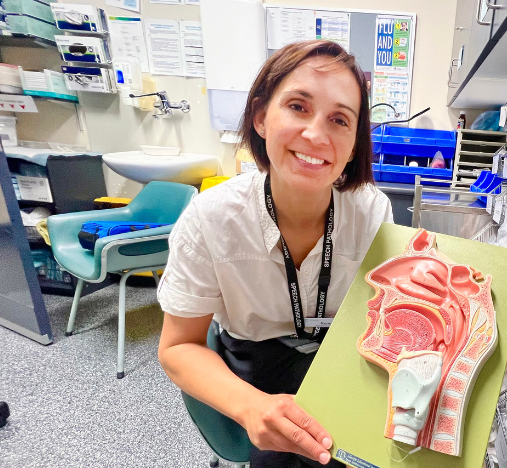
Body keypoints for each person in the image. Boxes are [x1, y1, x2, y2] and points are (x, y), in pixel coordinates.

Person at [156, 40, 393, 468]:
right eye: (299, 107)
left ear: (355, 143)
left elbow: (380, 317)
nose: (316, 135)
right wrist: (250, 408)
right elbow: (178, 347)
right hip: (256, 362)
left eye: (340, 119)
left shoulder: (372, 211)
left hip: (340, 356)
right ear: (262, 117)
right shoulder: (210, 218)